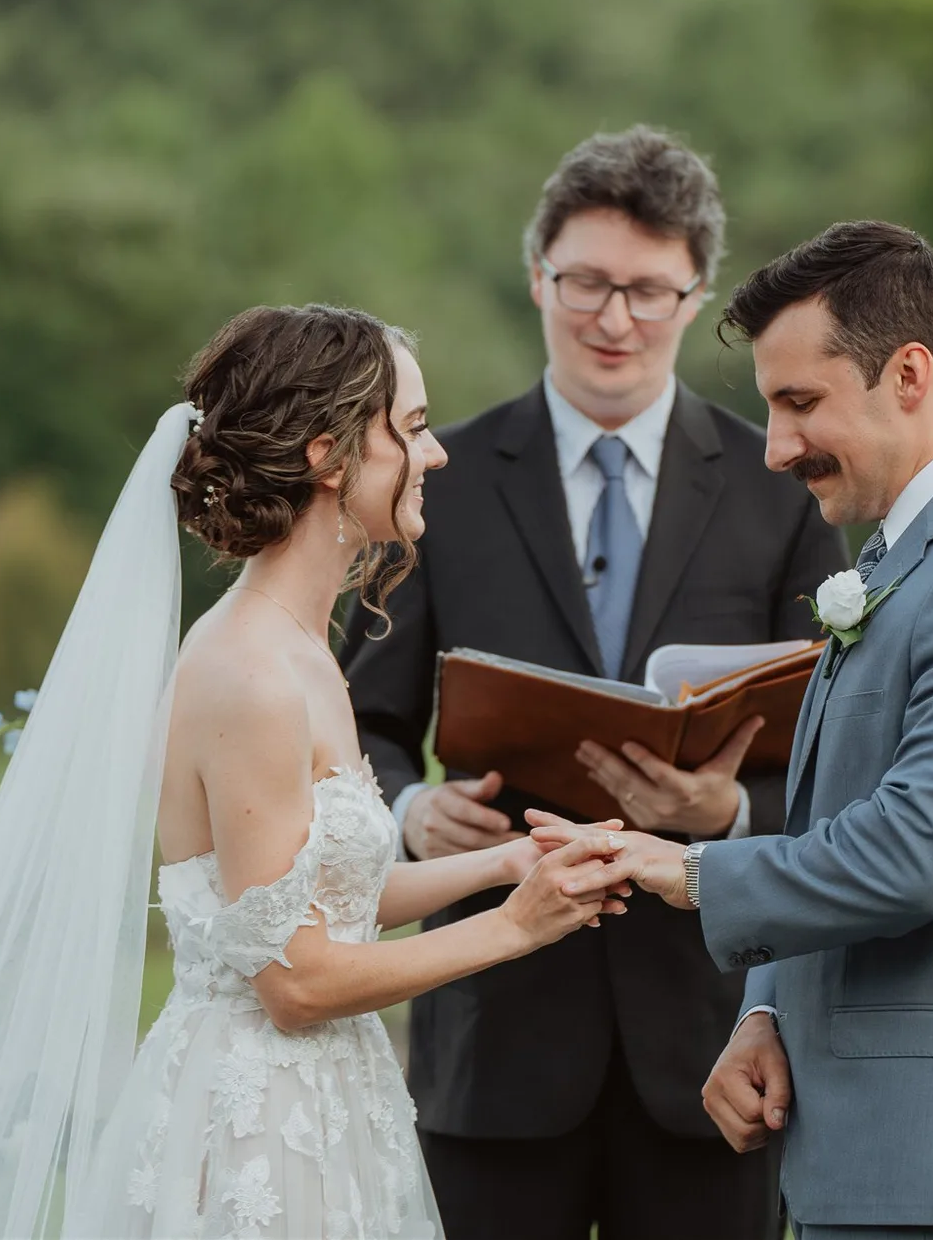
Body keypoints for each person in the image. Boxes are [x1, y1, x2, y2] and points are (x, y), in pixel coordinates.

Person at [0, 304, 632, 1238]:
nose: (434, 456)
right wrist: (516, 930)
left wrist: (504, 864)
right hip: (259, 1133)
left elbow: (320, 898)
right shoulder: (252, 675)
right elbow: (296, 981)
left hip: (329, 1108)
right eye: (414, 428)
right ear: (329, 455)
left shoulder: (305, 649)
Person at [539, 222, 933, 1239]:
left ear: (909, 373)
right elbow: (839, 815)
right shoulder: (912, 556)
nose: (774, 449)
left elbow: (926, 853)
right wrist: (769, 1008)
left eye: (799, 404)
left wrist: (686, 872)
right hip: (868, 1149)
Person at [344, 128, 848, 1240]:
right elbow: (358, 722)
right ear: (538, 277)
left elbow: (837, 753)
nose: (613, 318)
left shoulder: (782, 494)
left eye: (647, 290)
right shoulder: (439, 481)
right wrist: (410, 810)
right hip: (492, 1041)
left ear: (695, 292)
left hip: (712, 1048)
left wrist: (730, 815)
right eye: (584, 283)